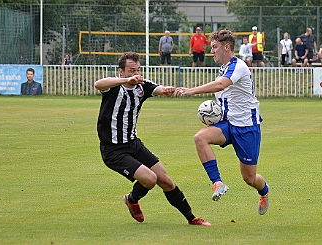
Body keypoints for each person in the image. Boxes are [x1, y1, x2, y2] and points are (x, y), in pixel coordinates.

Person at [94, 52, 211, 226]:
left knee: (165, 180)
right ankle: (132, 200)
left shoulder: (141, 87)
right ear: (121, 71)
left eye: (138, 70)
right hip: (113, 150)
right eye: (131, 70)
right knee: (150, 179)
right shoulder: (113, 87)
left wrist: (167, 91)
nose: (136, 74)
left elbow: (159, 89)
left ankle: (191, 218)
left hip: (133, 144)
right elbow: (98, 84)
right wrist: (125, 81)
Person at [176, 29, 269, 215]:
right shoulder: (224, 68)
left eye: (215, 47)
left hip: (247, 127)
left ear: (227, 47)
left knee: (249, 178)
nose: (212, 51)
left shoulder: (239, 66)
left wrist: (191, 91)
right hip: (228, 124)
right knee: (200, 138)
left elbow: (221, 85)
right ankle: (217, 183)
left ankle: (264, 192)